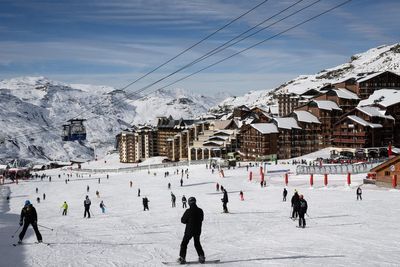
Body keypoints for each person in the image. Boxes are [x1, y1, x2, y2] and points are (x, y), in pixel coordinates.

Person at [177, 197, 205, 264]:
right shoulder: (200, 210)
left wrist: (188, 221)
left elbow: (183, 220)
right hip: (198, 230)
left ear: (189, 203)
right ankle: (201, 257)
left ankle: (182, 258)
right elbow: (202, 219)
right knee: (197, 243)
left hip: (189, 230)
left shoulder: (188, 211)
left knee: (184, 243)